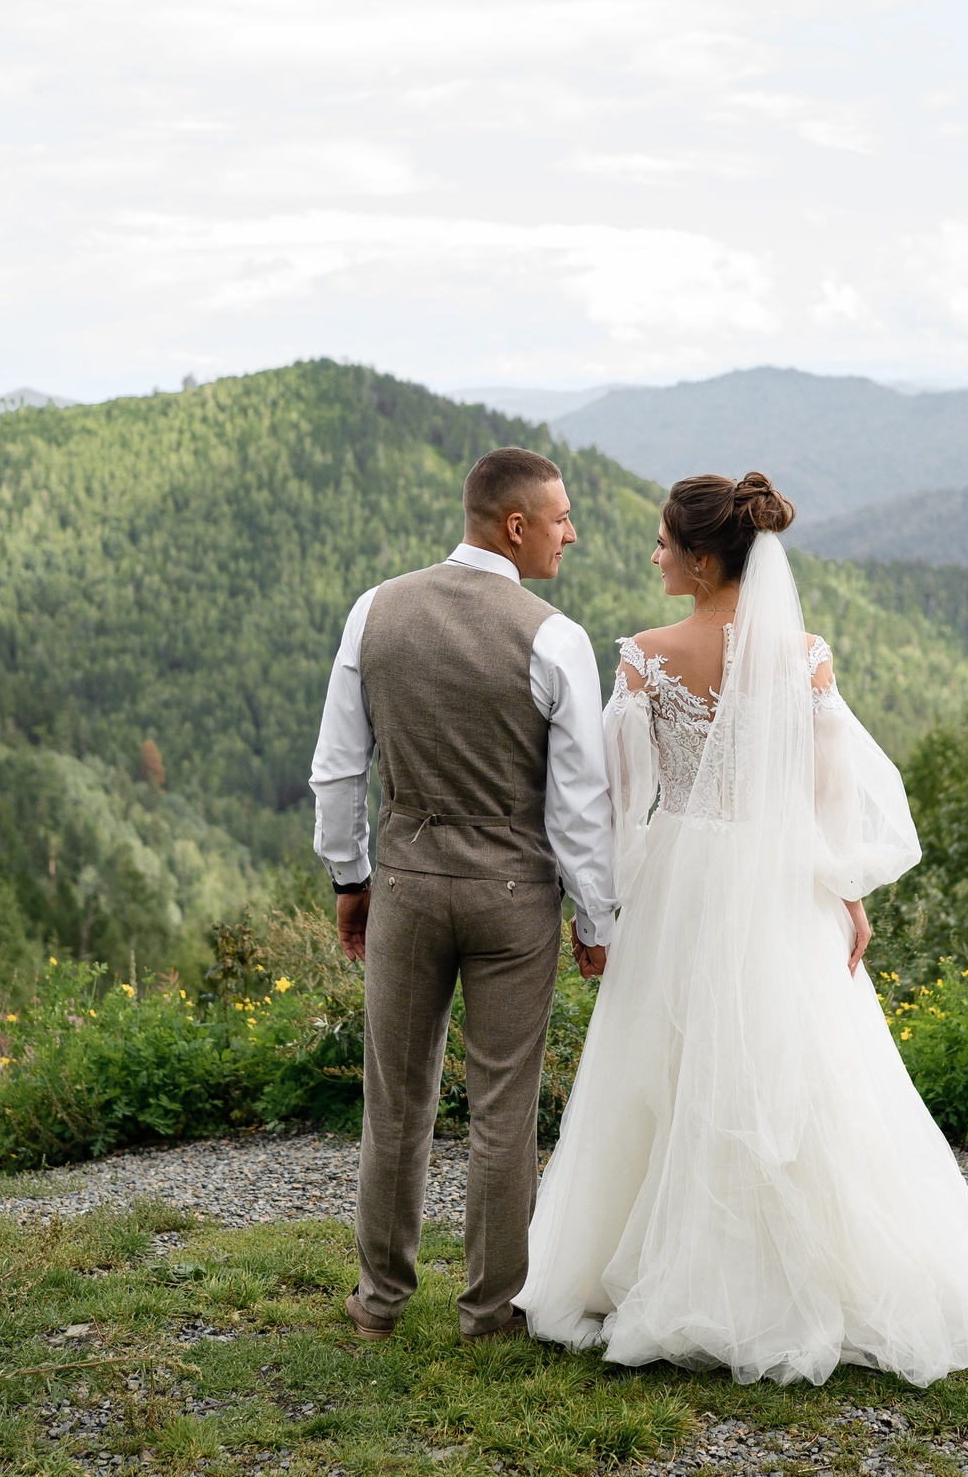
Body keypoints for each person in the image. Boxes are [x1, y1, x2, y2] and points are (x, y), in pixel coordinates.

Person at [514, 471, 968, 1387]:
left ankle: (662, 1265)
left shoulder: (643, 657)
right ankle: (808, 1271)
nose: (655, 554)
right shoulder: (804, 657)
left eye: (665, 542)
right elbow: (830, 787)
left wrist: (613, 895)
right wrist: (845, 890)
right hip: (784, 878)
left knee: (669, 1065)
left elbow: (617, 798)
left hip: (684, 875)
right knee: (796, 1065)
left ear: (702, 557)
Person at [308, 446, 616, 1344]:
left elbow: (338, 772)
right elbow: (582, 804)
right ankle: (488, 1311)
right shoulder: (555, 636)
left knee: (395, 1101)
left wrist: (350, 877)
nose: (572, 532)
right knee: (502, 1110)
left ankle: (378, 1300)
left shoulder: (376, 611)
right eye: (561, 518)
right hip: (514, 898)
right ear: (515, 525)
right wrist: (594, 918)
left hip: (404, 883)